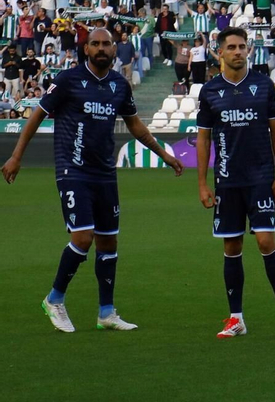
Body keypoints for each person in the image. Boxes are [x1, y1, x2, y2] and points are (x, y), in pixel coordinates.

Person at [2, 26, 182, 332]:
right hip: (73, 170)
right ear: (86, 49)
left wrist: (164, 154)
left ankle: (106, 313)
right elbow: (37, 115)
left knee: (108, 241)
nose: (101, 48)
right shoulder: (68, 79)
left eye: (106, 44)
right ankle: (54, 299)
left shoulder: (119, 85)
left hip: (105, 173)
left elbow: (135, 125)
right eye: (95, 43)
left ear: (114, 49)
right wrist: (16, 156)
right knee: (83, 238)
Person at [195, 27, 275, 338]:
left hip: (260, 179)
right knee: (232, 246)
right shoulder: (210, 90)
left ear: (248, 49)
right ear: (220, 52)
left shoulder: (263, 85)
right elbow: (203, 139)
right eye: (232, 47)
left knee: (265, 241)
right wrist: (202, 184)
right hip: (227, 182)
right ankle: (236, 318)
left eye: (242, 46)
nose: (238, 52)